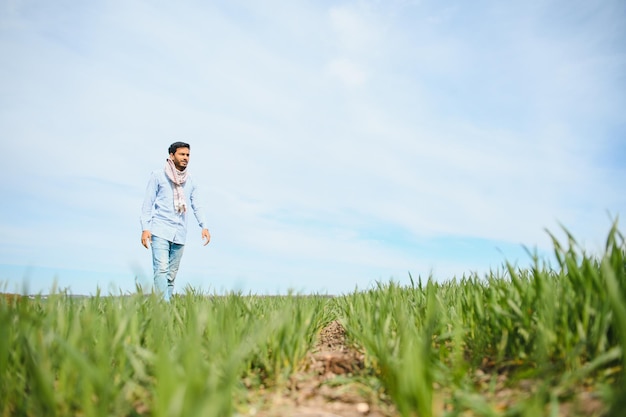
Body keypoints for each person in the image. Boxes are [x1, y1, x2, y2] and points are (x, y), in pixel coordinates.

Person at [140, 141, 211, 301]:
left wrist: (204, 226)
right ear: (172, 156)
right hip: (160, 230)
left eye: (188, 155)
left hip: (180, 233)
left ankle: (167, 311)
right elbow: (147, 204)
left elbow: (197, 205)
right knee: (161, 270)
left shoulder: (191, 181)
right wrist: (146, 228)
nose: (185, 158)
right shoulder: (158, 176)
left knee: (171, 276)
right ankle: (163, 308)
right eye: (182, 154)